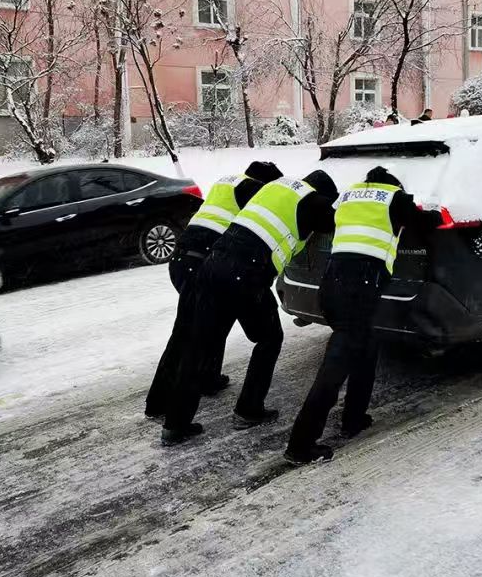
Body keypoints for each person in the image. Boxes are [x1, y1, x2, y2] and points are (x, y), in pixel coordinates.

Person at [161, 170, 339, 445]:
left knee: (200, 345)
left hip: (213, 265)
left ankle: (175, 424)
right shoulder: (313, 202)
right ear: (323, 195)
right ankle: (249, 409)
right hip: (246, 275)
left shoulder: (276, 188)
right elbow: (331, 224)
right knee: (270, 338)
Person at [284, 166, 433, 465]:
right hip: (359, 287)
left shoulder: (347, 196)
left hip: (333, 284)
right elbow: (424, 222)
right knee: (334, 368)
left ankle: (354, 417)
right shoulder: (395, 198)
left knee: (366, 345)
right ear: (393, 185)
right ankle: (300, 445)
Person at [145, 161, 283, 419]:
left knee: (202, 325)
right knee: (193, 334)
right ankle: (170, 407)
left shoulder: (226, 182)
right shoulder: (253, 190)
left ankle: (189, 386)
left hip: (182, 258)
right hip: (203, 262)